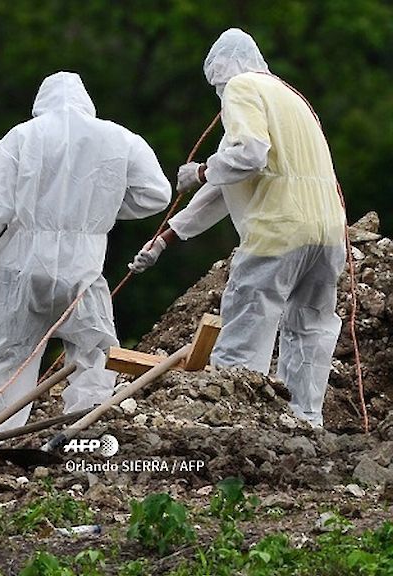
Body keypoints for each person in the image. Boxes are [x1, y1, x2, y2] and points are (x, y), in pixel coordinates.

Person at [128, 28, 346, 427]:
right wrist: (165, 238)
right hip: (329, 233)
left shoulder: (242, 88)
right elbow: (227, 184)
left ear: (223, 74)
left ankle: (236, 425)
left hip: (278, 229)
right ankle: (305, 421)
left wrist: (200, 169)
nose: (219, 97)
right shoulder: (291, 98)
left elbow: (248, 156)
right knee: (310, 329)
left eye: (217, 86)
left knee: (247, 323)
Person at [0, 71, 171, 432]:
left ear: (41, 103)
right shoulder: (120, 138)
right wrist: (98, 209)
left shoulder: (21, 137)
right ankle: (83, 433)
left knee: (4, 358)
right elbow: (156, 194)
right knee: (94, 353)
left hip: (20, 265)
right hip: (83, 267)